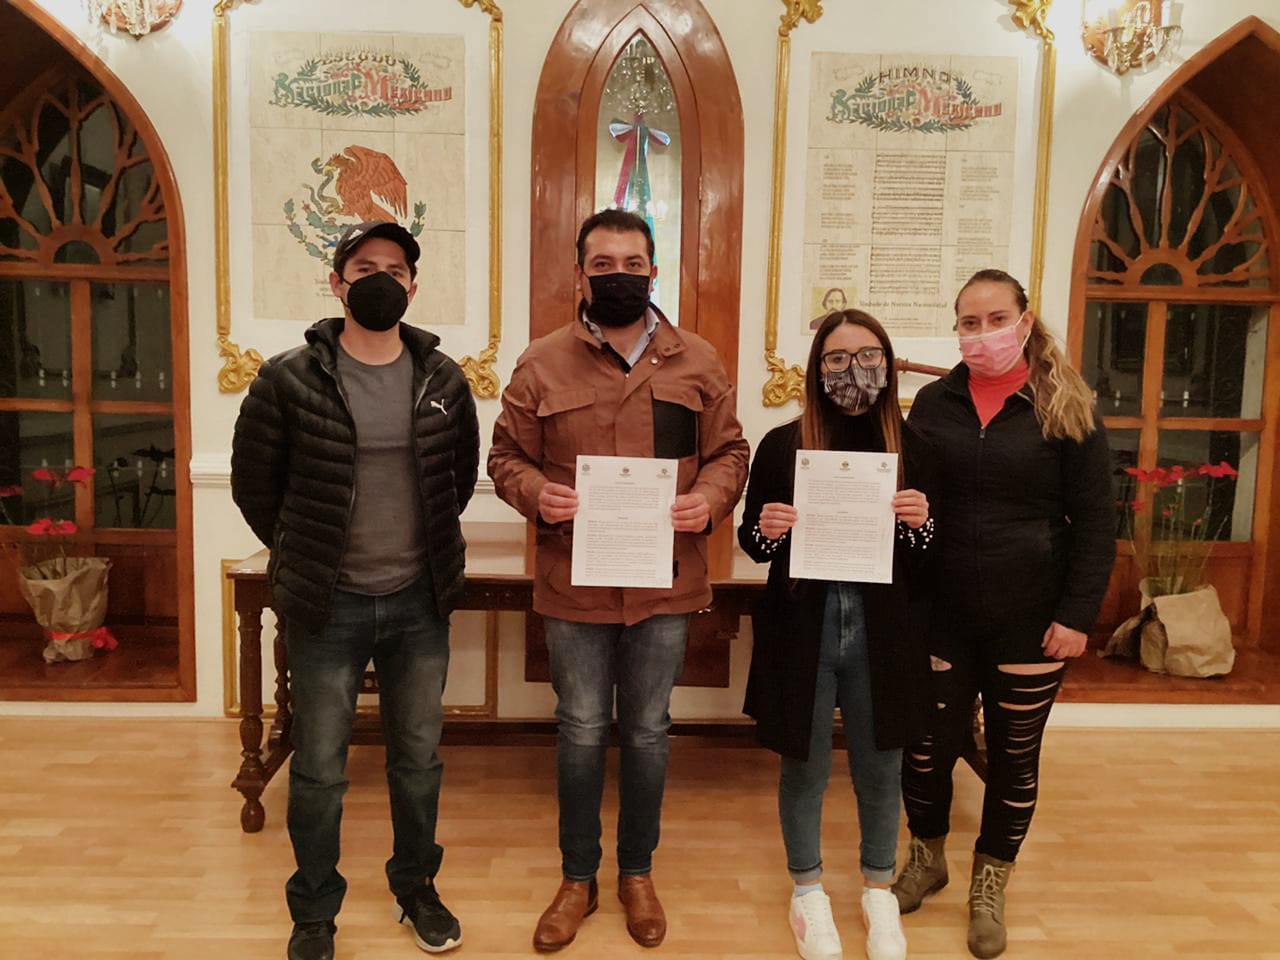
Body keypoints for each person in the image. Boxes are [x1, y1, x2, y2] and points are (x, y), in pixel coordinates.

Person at [488, 208, 749, 952]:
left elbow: (730, 453)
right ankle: (578, 878)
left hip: (666, 583)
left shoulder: (698, 361)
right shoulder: (542, 363)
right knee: (578, 730)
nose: (619, 276)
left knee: (647, 731)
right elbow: (505, 457)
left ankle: (637, 872)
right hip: (575, 582)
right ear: (579, 274)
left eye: (633, 264)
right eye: (602, 265)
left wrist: (711, 499)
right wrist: (537, 494)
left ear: (654, 272)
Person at [231, 220, 480, 960]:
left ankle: (416, 887)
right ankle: (314, 911)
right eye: (364, 267)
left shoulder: (444, 380)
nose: (380, 280)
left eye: (395, 269)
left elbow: (458, 478)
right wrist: (305, 552)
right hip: (325, 604)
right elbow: (254, 485)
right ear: (336, 282)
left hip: (418, 601)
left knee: (417, 761)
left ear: (413, 286)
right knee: (318, 769)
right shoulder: (288, 378)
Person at [892, 269, 1113, 959]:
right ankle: (927, 857)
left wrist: (1078, 615)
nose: (982, 333)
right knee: (925, 749)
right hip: (942, 612)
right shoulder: (933, 404)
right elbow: (912, 505)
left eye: (995, 319)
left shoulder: (1067, 405)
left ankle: (990, 883)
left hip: (1033, 618)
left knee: (1014, 758)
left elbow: (1097, 523)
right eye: (969, 322)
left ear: (1024, 321)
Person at [739, 309, 935, 960]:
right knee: (806, 765)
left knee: (881, 766)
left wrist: (921, 523)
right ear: (817, 368)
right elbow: (754, 543)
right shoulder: (782, 445)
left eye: (869, 355)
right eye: (838, 358)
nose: (855, 369)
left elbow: (931, 555)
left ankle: (879, 890)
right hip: (805, 626)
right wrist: (768, 527)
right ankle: (808, 891)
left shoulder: (915, 446)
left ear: (889, 362)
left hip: (887, 629)